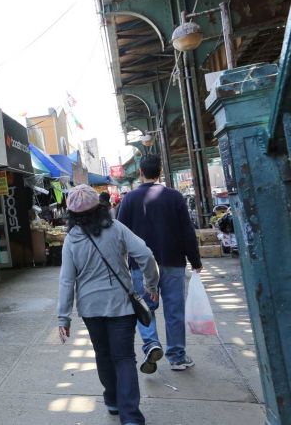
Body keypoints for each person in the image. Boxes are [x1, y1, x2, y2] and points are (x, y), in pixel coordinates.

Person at [58, 185, 159, 425]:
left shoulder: (71, 240)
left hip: (91, 309)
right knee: (124, 358)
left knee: (103, 354)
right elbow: (145, 254)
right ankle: (131, 417)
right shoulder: (116, 229)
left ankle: (112, 401)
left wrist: (63, 317)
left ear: (72, 214)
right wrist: (151, 286)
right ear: (100, 207)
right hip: (121, 306)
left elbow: (66, 280)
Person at [117, 154, 202, 373]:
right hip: (173, 261)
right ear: (160, 172)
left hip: (140, 266)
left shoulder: (129, 199)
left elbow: (119, 235)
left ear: (140, 173)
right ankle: (177, 356)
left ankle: (151, 344)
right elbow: (187, 232)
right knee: (174, 310)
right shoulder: (174, 197)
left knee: (145, 307)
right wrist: (195, 260)